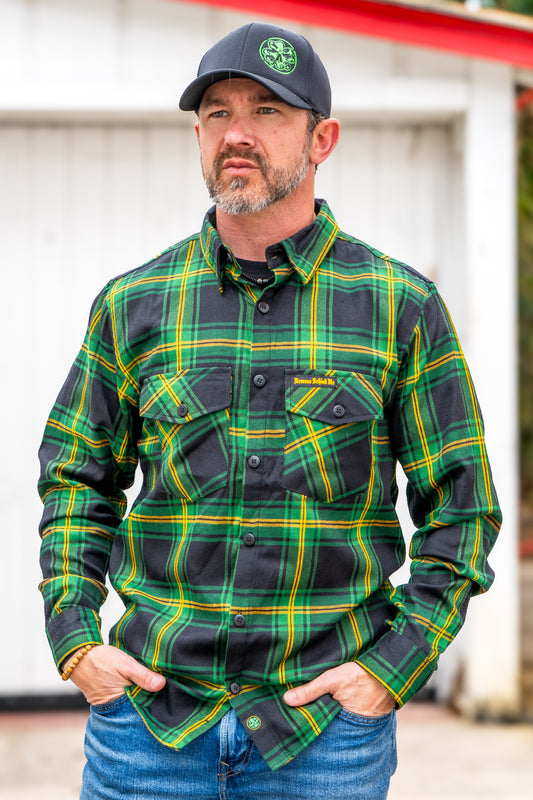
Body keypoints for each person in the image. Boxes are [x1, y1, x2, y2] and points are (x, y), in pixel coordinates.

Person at [38, 22, 501, 800]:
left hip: (321, 742)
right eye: (217, 112)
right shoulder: (134, 304)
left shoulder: (398, 307)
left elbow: (463, 509)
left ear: (322, 138)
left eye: (267, 111)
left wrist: (389, 673)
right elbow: (76, 482)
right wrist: (76, 639)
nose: (237, 134)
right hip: (150, 732)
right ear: (197, 133)